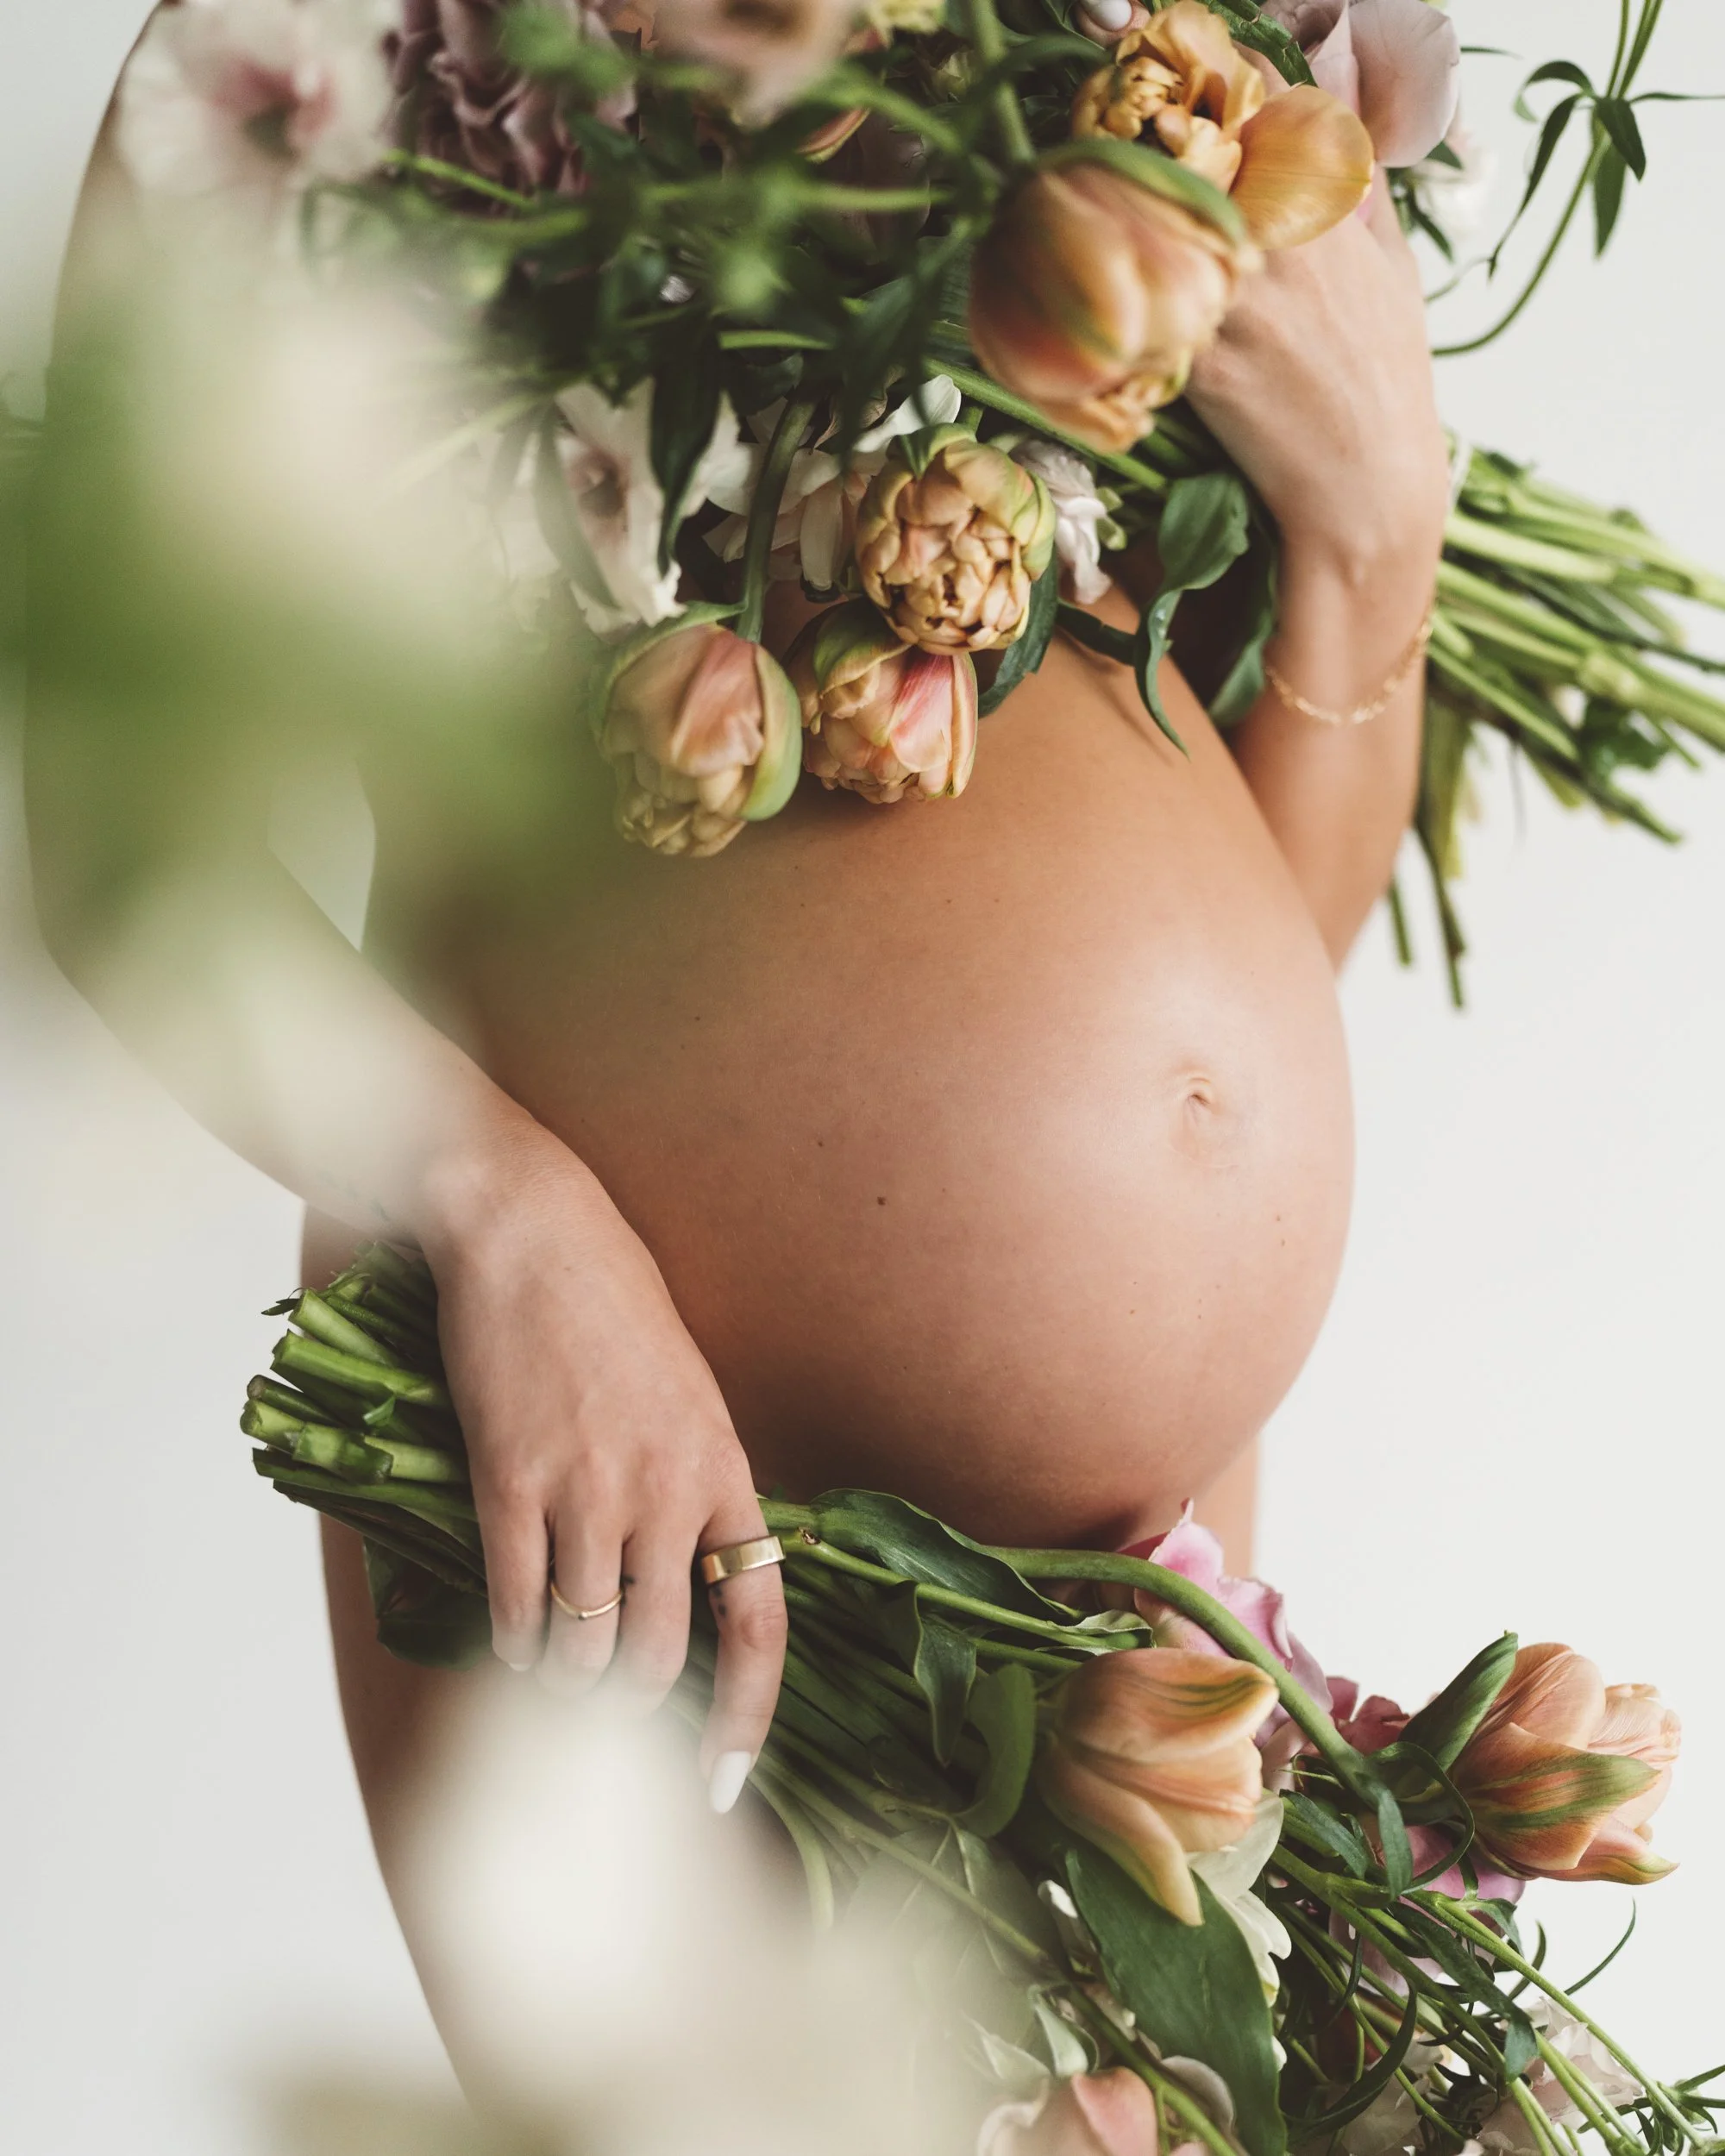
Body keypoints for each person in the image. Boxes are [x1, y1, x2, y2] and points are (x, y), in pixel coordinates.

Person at [26, 26, 1447, 1970]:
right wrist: (504, 1213)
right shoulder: (297, 49)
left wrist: (1384, 520)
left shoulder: (1140, 46)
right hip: (612, 1447)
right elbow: (114, 836)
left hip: (1148, 1530)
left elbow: (1266, 895)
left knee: (1139, 2116)